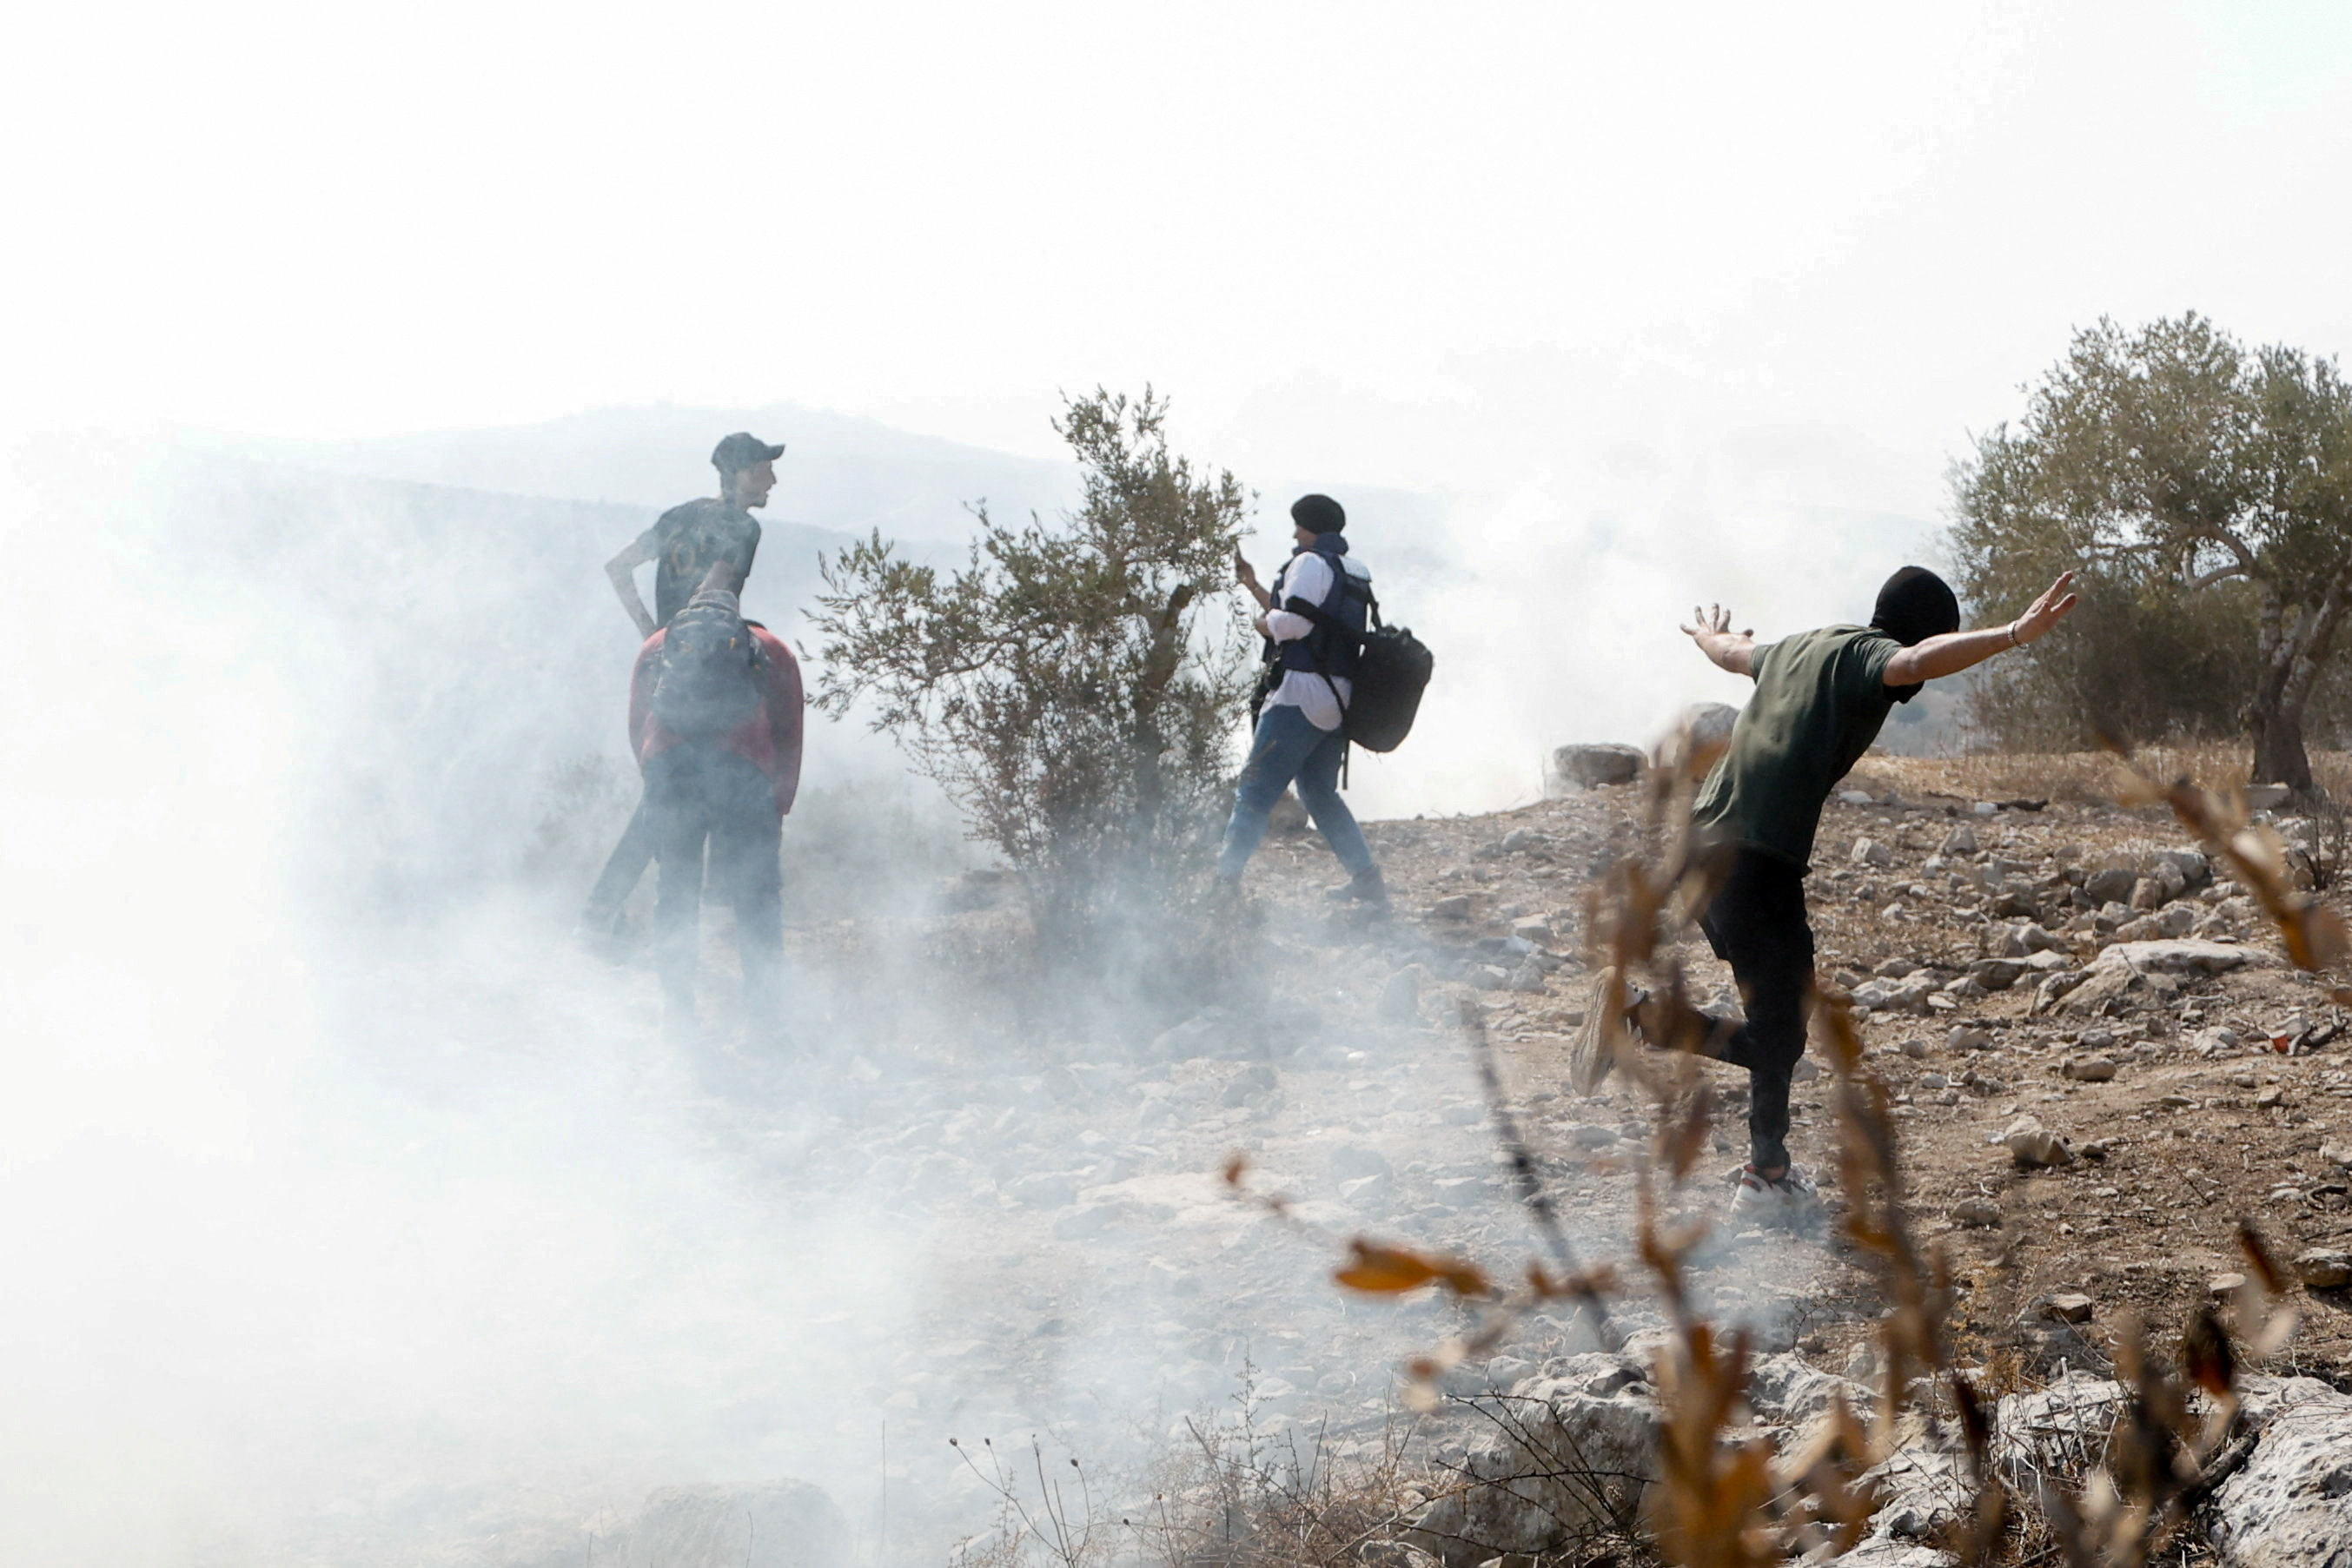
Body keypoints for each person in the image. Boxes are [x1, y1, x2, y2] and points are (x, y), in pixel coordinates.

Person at [1579, 566, 2079, 1222]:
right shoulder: (1872, 657)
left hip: (1697, 846)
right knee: (1779, 1037)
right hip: (1755, 860)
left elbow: (1733, 655)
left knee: (1777, 1008)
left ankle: (1768, 1173)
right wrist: (2014, 632)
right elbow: (1915, 659)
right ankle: (1639, 1017)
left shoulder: (1797, 647)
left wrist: (1706, 635)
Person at [581, 432, 785, 943]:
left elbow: (618, 567)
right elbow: (711, 592)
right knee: (712, 786)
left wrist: (652, 634)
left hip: (664, 665)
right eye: (764, 469)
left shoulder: (678, 515)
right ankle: (613, 916)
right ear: (738, 473)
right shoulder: (743, 527)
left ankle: (599, 913)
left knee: (662, 796)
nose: (772, 480)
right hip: (710, 671)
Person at [627, 561, 805, 1050]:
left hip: (670, 774)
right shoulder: (772, 648)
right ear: (737, 611)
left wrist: (656, 781)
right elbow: (791, 730)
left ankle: (679, 1015)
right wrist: (779, 802)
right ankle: (767, 1022)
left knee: (676, 893)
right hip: (745, 778)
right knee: (756, 899)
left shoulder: (656, 645)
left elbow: (638, 723)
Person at [1215, 493, 1387, 905]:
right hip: (1336, 697)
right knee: (1318, 792)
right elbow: (1314, 619)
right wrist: (1254, 586)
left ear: (1310, 526)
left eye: (1298, 525)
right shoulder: (1352, 569)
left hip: (1300, 694)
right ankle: (1366, 878)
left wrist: (1262, 624)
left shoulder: (1309, 563)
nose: (1294, 533)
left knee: (1254, 791)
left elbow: (1291, 623)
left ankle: (1222, 884)